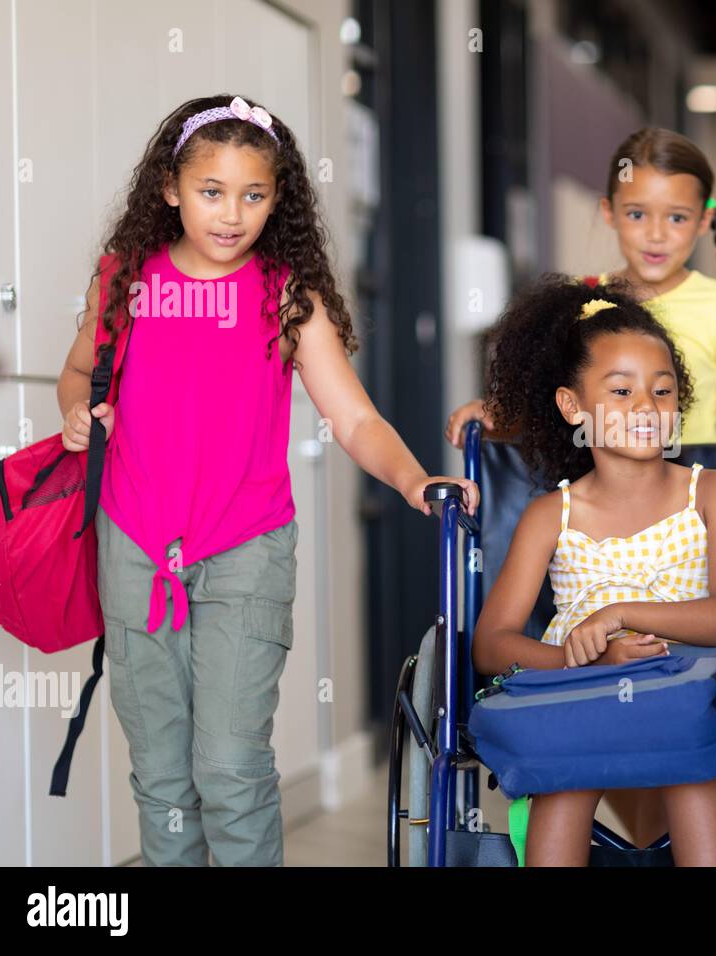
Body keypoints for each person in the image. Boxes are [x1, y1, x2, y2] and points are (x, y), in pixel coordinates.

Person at [57, 94, 477, 866]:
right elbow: (80, 372)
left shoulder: (287, 296)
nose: (231, 214)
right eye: (211, 192)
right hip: (134, 548)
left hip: (246, 551)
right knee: (162, 776)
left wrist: (414, 479)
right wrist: (78, 413)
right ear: (170, 189)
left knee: (229, 766)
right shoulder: (124, 282)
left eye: (253, 195)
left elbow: (354, 418)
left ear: (278, 198)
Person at [471, 275, 716, 866]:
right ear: (573, 406)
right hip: (578, 688)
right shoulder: (551, 515)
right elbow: (492, 645)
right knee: (565, 772)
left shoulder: (713, 493)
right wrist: (584, 658)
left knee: (691, 755)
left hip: (684, 683)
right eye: (622, 391)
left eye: (662, 390)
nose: (647, 407)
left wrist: (619, 614)